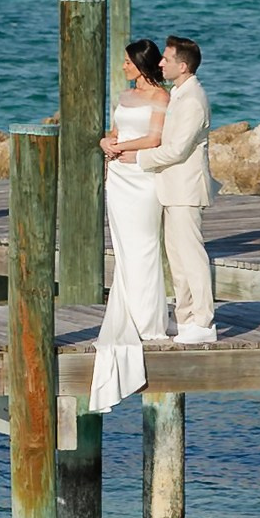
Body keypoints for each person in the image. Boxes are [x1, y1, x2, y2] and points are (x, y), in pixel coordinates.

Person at [91, 40, 170, 408]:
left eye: (127, 61)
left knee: (143, 245)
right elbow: (114, 129)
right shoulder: (124, 95)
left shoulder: (161, 98)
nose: (122, 66)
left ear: (142, 63)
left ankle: (146, 320)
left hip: (141, 178)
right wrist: (107, 141)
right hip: (118, 178)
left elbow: (155, 138)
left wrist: (122, 148)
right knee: (123, 248)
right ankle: (128, 311)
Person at [130, 35, 215, 343]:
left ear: (183, 65)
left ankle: (204, 322)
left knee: (191, 256)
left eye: (166, 59)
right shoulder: (179, 93)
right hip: (172, 188)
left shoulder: (193, 99)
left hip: (186, 189)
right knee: (177, 258)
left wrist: (139, 158)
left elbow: (177, 150)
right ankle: (185, 317)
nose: (160, 63)